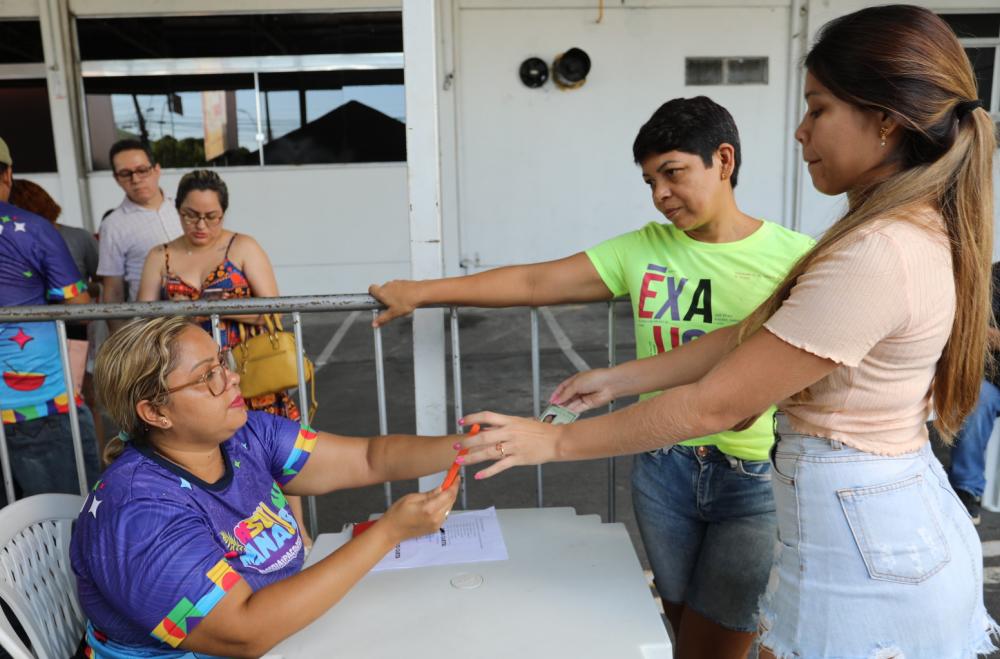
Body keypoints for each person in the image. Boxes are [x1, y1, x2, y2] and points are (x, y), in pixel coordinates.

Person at [457, 6, 997, 657]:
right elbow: (755, 333)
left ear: (885, 118)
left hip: (863, 546)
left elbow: (719, 401)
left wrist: (552, 443)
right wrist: (620, 378)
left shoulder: (880, 249)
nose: (800, 132)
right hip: (857, 521)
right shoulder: (885, 229)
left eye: (818, 108)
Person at [370, 96, 814, 657]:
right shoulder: (645, 248)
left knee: (718, 640)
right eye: (650, 181)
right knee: (679, 625)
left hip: (752, 478)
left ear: (723, 160)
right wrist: (422, 293)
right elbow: (534, 283)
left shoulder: (798, 258)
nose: (660, 194)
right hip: (662, 468)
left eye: (672, 173)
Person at [70, 317, 460, 656]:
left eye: (222, 362)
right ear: (155, 412)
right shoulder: (138, 512)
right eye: (208, 376)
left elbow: (369, 458)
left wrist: (471, 446)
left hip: (290, 635)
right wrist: (387, 533)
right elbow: (244, 634)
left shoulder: (243, 434)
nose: (232, 377)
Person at [136, 169, 314, 548]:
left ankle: (298, 533)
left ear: (224, 213)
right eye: (190, 215)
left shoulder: (243, 247)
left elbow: (274, 311)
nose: (200, 225)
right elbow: (142, 320)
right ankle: (234, 541)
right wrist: (181, 314)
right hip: (193, 383)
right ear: (177, 209)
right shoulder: (161, 256)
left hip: (248, 374)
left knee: (274, 455)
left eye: (211, 216)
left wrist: (223, 307)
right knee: (211, 462)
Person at [0, 136, 101, 507]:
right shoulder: (33, 228)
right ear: (8, 173)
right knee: (71, 517)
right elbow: (78, 304)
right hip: (40, 404)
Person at [8, 179, 107, 449]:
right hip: (37, 342)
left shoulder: (75, 236)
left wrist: (77, 290)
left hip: (71, 332)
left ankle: (98, 461)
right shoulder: (27, 234)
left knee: (85, 397)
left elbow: (101, 279)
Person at [97, 139, 182, 331]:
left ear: (157, 169)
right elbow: (113, 292)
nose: (135, 179)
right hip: (151, 327)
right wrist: (121, 344)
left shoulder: (184, 209)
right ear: (116, 178)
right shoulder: (113, 225)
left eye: (142, 170)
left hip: (196, 319)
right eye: (126, 174)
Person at [948, 261, 1000, 524]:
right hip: (992, 377)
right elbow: (979, 329)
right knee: (977, 398)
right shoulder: (994, 277)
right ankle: (966, 489)